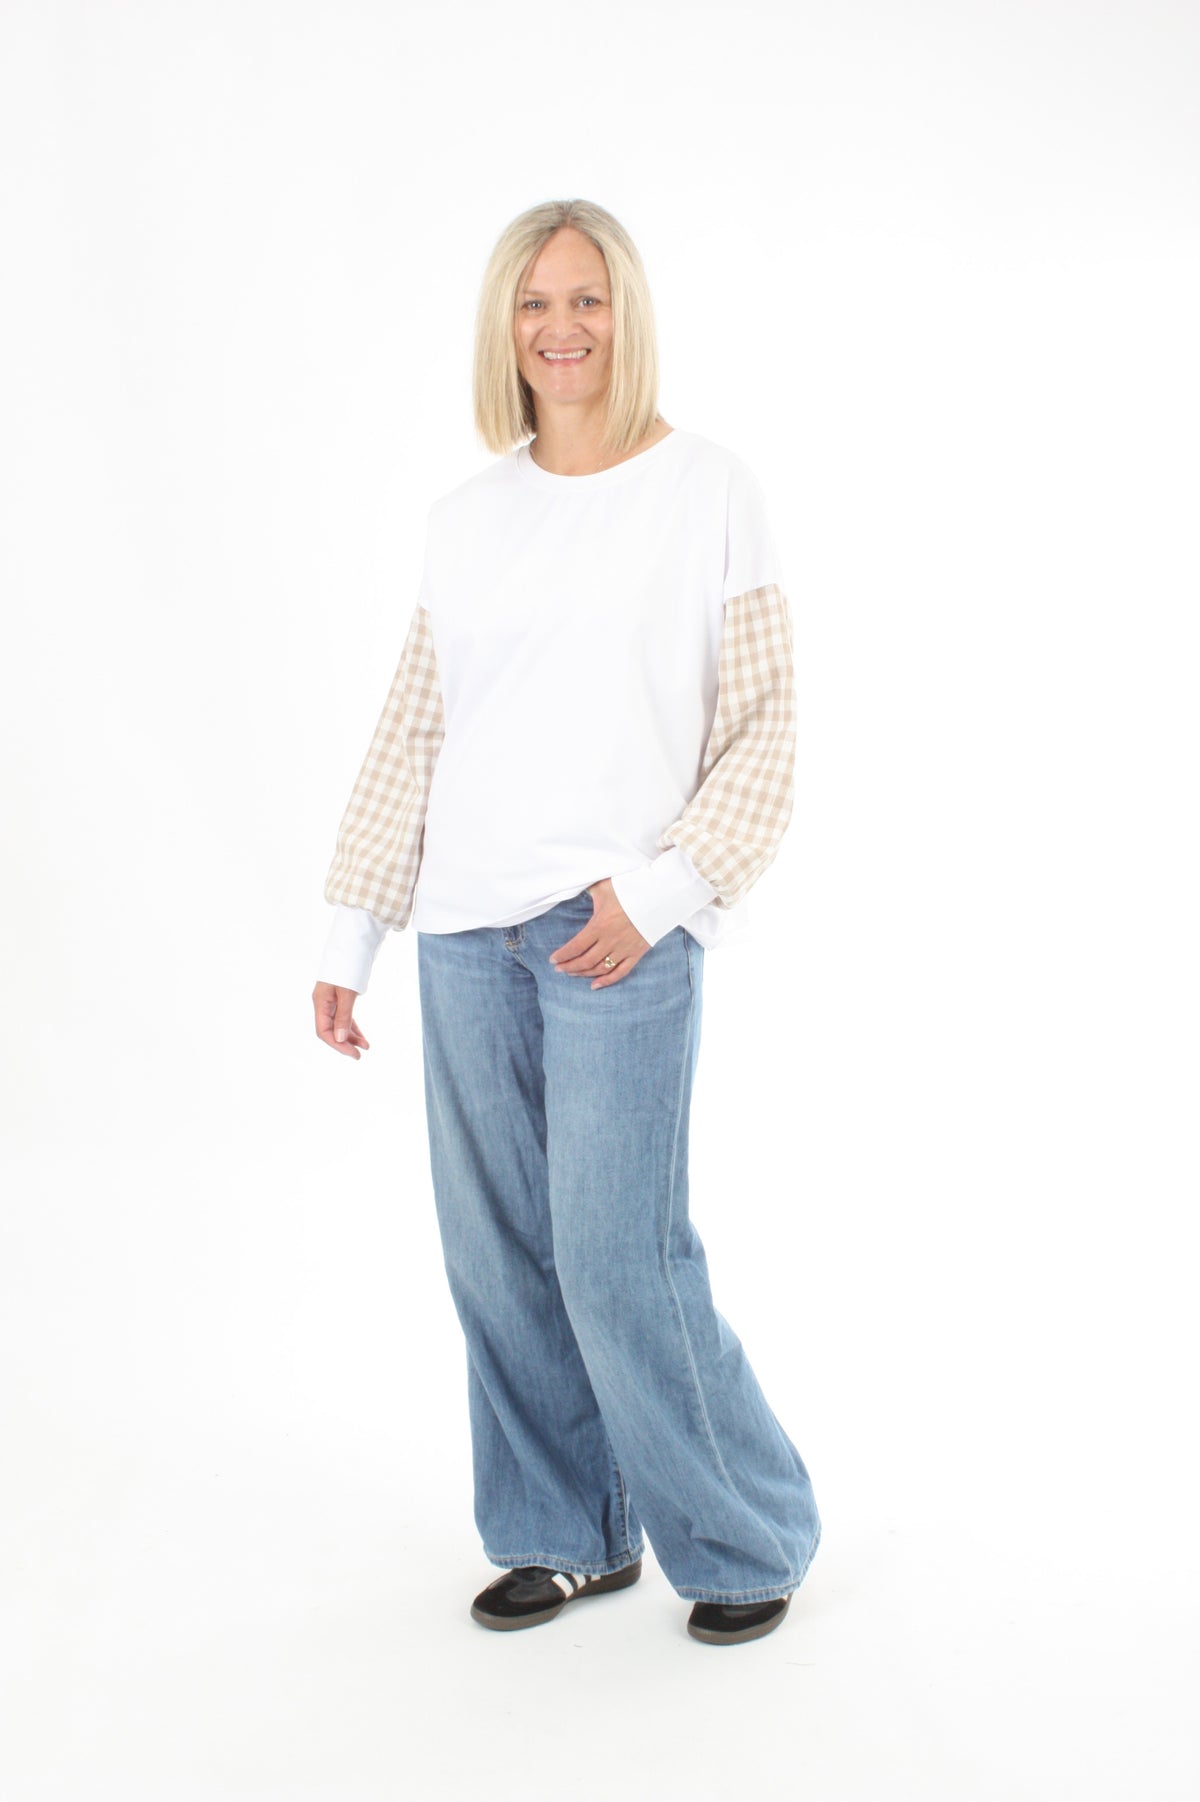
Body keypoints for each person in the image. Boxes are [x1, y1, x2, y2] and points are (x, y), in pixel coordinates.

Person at [311, 198, 821, 1646]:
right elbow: (414, 731)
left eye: (588, 299)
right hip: (467, 933)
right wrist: (351, 936)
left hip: (620, 934)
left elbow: (765, 728)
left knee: (617, 1252)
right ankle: (566, 1530)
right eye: (535, 303)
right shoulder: (465, 521)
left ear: (627, 312)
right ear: (505, 326)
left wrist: (657, 896)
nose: (562, 327)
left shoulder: (711, 489)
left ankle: (743, 1535)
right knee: (497, 1252)